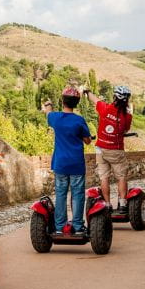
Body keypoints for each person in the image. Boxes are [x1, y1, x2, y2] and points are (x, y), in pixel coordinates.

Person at [42, 86, 92, 234]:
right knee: (77, 195)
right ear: (76, 103)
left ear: (62, 101)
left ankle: (59, 227)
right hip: (76, 164)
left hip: (61, 164)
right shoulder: (79, 120)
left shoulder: (55, 118)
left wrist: (48, 105)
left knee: (61, 195)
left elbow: (48, 113)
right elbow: (88, 140)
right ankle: (77, 227)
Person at [83, 85, 133, 213]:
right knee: (121, 177)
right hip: (116, 149)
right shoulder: (127, 116)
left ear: (114, 96)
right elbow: (126, 129)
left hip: (100, 148)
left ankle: (107, 205)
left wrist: (87, 91)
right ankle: (122, 204)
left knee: (104, 177)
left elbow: (94, 99)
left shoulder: (105, 108)